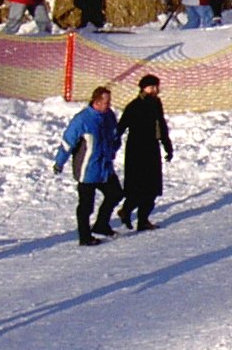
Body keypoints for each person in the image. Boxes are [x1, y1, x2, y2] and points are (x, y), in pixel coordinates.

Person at [54, 86, 124, 246]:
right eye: (106, 102)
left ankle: (101, 225)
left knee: (116, 194)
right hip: (87, 170)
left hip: (105, 168)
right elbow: (67, 142)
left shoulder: (109, 116)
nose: (109, 105)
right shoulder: (82, 119)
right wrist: (59, 162)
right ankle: (84, 237)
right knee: (86, 205)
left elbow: (115, 135)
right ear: (97, 102)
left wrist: (114, 148)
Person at [116, 75, 173, 232]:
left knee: (152, 188)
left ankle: (143, 220)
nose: (155, 90)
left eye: (156, 87)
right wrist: (111, 146)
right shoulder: (134, 106)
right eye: (151, 87)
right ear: (143, 88)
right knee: (137, 187)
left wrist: (167, 145)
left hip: (152, 150)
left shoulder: (156, 103)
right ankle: (126, 211)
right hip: (136, 151)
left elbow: (161, 125)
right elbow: (120, 127)